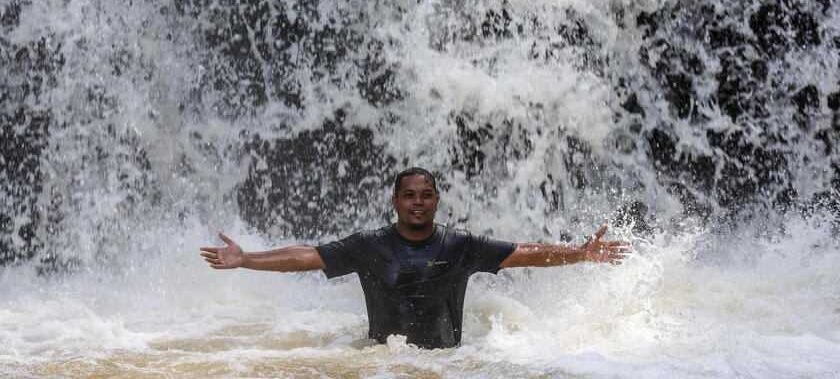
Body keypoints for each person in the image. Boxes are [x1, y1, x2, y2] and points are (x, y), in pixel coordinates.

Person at [200, 167, 631, 349]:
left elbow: (526, 253)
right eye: (409, 196)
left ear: (437, 201)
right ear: (395, 201)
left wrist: (580, 253)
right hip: (383, 366)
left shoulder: (461, 245)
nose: (418, 203)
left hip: (449, 366)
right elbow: (308, 256)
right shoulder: (368, 245)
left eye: (426, 196)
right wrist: (248, 259)